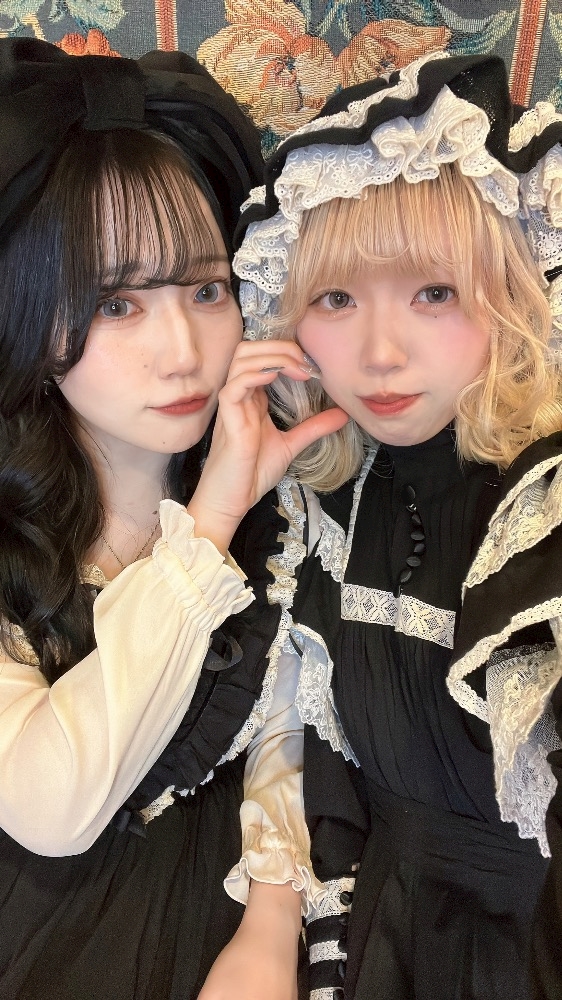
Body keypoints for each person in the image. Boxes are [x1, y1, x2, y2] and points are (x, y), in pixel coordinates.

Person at [0, 39, 348, 1000]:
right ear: (32, 314)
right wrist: (211, 518)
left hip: (215, 912)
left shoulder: (285, 515)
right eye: (116, 303)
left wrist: (270, 928)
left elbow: (288, 734)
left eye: (205, 289)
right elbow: (52, 806)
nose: (184, 349)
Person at [232, 52, 562, 999]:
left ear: (514, 293)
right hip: (378, 928)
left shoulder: (541, 506)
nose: (379, 354)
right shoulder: (326, 501)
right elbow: (313, 751)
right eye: (336, 299)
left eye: (434, 293)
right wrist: (268, 926)